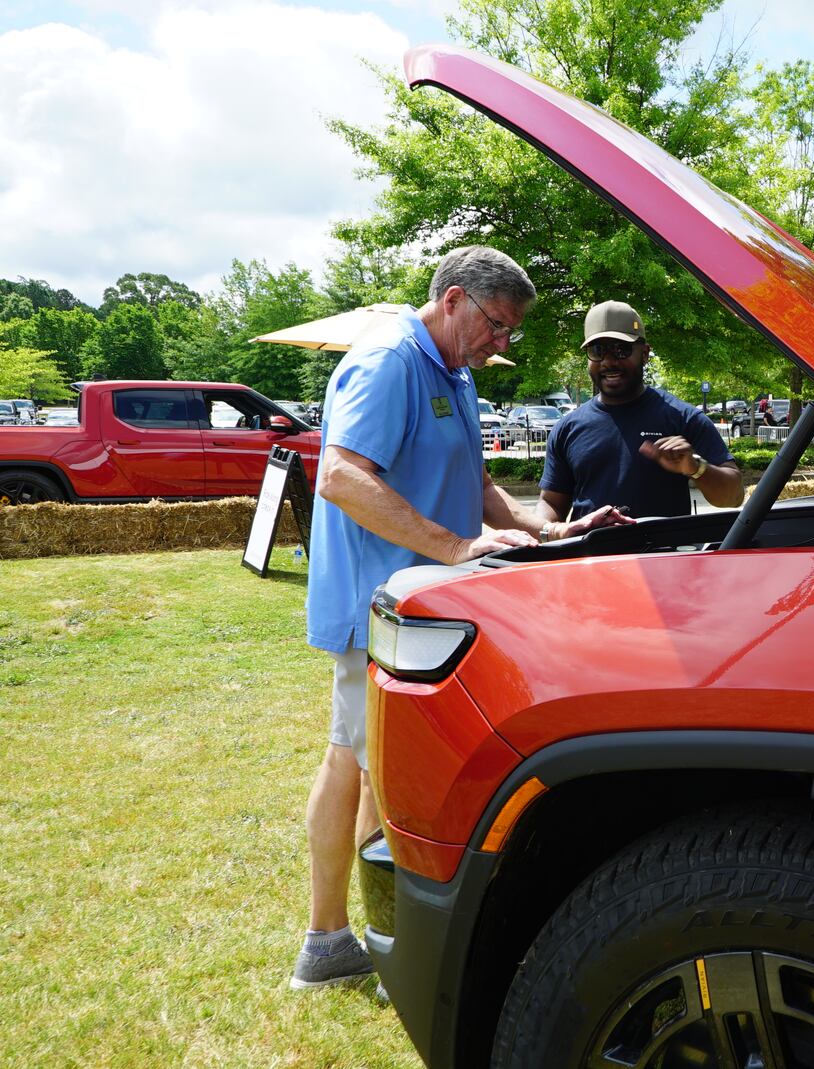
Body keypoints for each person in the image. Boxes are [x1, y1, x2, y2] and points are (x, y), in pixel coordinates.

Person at [293, 247, 627, 990]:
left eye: (509, 331)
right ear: (452, 300)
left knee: (376, 765)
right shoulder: (388, 361)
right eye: (497, 325)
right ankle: (332, 942)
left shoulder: (455, 372)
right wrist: (456, 548)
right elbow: (344, 475)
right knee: (361, 760)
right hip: (376, 603)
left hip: (422, 605)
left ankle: (365, 939)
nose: (502, 343)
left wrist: (547, 531)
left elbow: (474, 481)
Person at [534, 300, 744, 529]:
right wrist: (545, 533)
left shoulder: (684, 419)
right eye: (597, 351)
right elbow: (551, 503)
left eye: (621, 349)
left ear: (644, 354)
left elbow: (733, 497)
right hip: (590, 561)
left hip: (663, 560)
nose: (608, 361)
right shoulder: (567, 428)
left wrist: (695, 467)